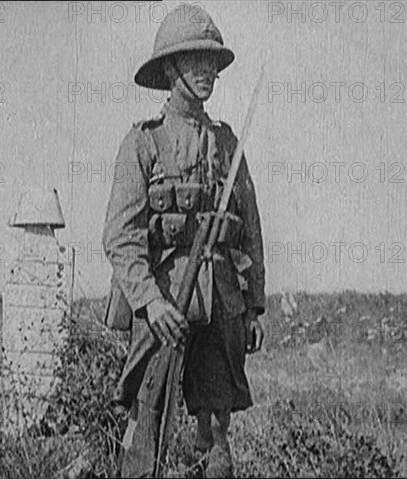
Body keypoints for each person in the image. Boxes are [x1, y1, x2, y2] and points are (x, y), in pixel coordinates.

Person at [102, 3, 266, 477]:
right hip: (162, 305)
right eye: (195, 60)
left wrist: (253, 306)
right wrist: (151, 304)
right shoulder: (142, 143)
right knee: (144, 425)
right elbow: (121, 236)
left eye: (212, 61)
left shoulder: (228, 145)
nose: (207, 71)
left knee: (215, 434)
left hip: (221, 304)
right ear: (170, 67)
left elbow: (250, 230)